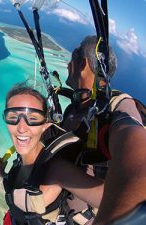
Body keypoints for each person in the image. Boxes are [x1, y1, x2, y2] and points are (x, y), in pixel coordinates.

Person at [44, 35, 146, 224]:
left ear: (82, 63)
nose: (67, 63)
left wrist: (59, 172)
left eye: (72, 55)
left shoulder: (117, 106)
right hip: (59, 209)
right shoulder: (75, 108)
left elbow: (137, 153)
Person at [0, 83, 65, 225]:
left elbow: (100, 195)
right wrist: (4, 174)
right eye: (13, 117)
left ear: (45, 125)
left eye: (33, 119)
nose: (22, 128)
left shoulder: (58, 171)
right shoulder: (18, 164)